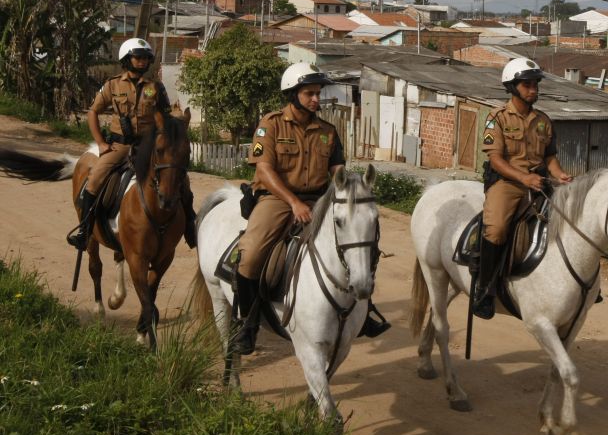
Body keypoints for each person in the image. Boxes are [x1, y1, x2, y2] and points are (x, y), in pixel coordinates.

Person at [232, 62, 390, 356]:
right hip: (277, 199)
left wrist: (352, 190)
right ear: (292, 94)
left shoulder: (327, 131)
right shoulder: (271, 124)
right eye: (309, 93)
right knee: (251, 254)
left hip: (319, 199)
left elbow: (338, 168)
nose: (316, 99)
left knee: (358, 243)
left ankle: (363, 312)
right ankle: (248, 323)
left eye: (317, 93)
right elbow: (264, 170)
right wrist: (292, 202)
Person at [69, 38, 197, 251]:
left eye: (146, 58)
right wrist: (101, 143)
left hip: (147, 147)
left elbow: (166, 114)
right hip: (118, 146)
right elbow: (93, 111)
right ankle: (84, 231)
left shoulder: (155, 87)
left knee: (182, 182)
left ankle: (190, 229)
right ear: (127, 59)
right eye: (138, 57)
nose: (142, 61)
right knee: (94, 181)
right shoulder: (112, 84)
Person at [474, 58, 573, 319]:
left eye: (535, 85)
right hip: (507, 184)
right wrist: (523, 178)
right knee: (495, 230)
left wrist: (560, 174)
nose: (534, 90)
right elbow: (495, 159)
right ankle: (484, 290)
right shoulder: (497, 119)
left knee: (570, 218)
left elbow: (550, 157)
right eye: (527, 85)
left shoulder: (543, 121)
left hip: (540, 182)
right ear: (512, 86)